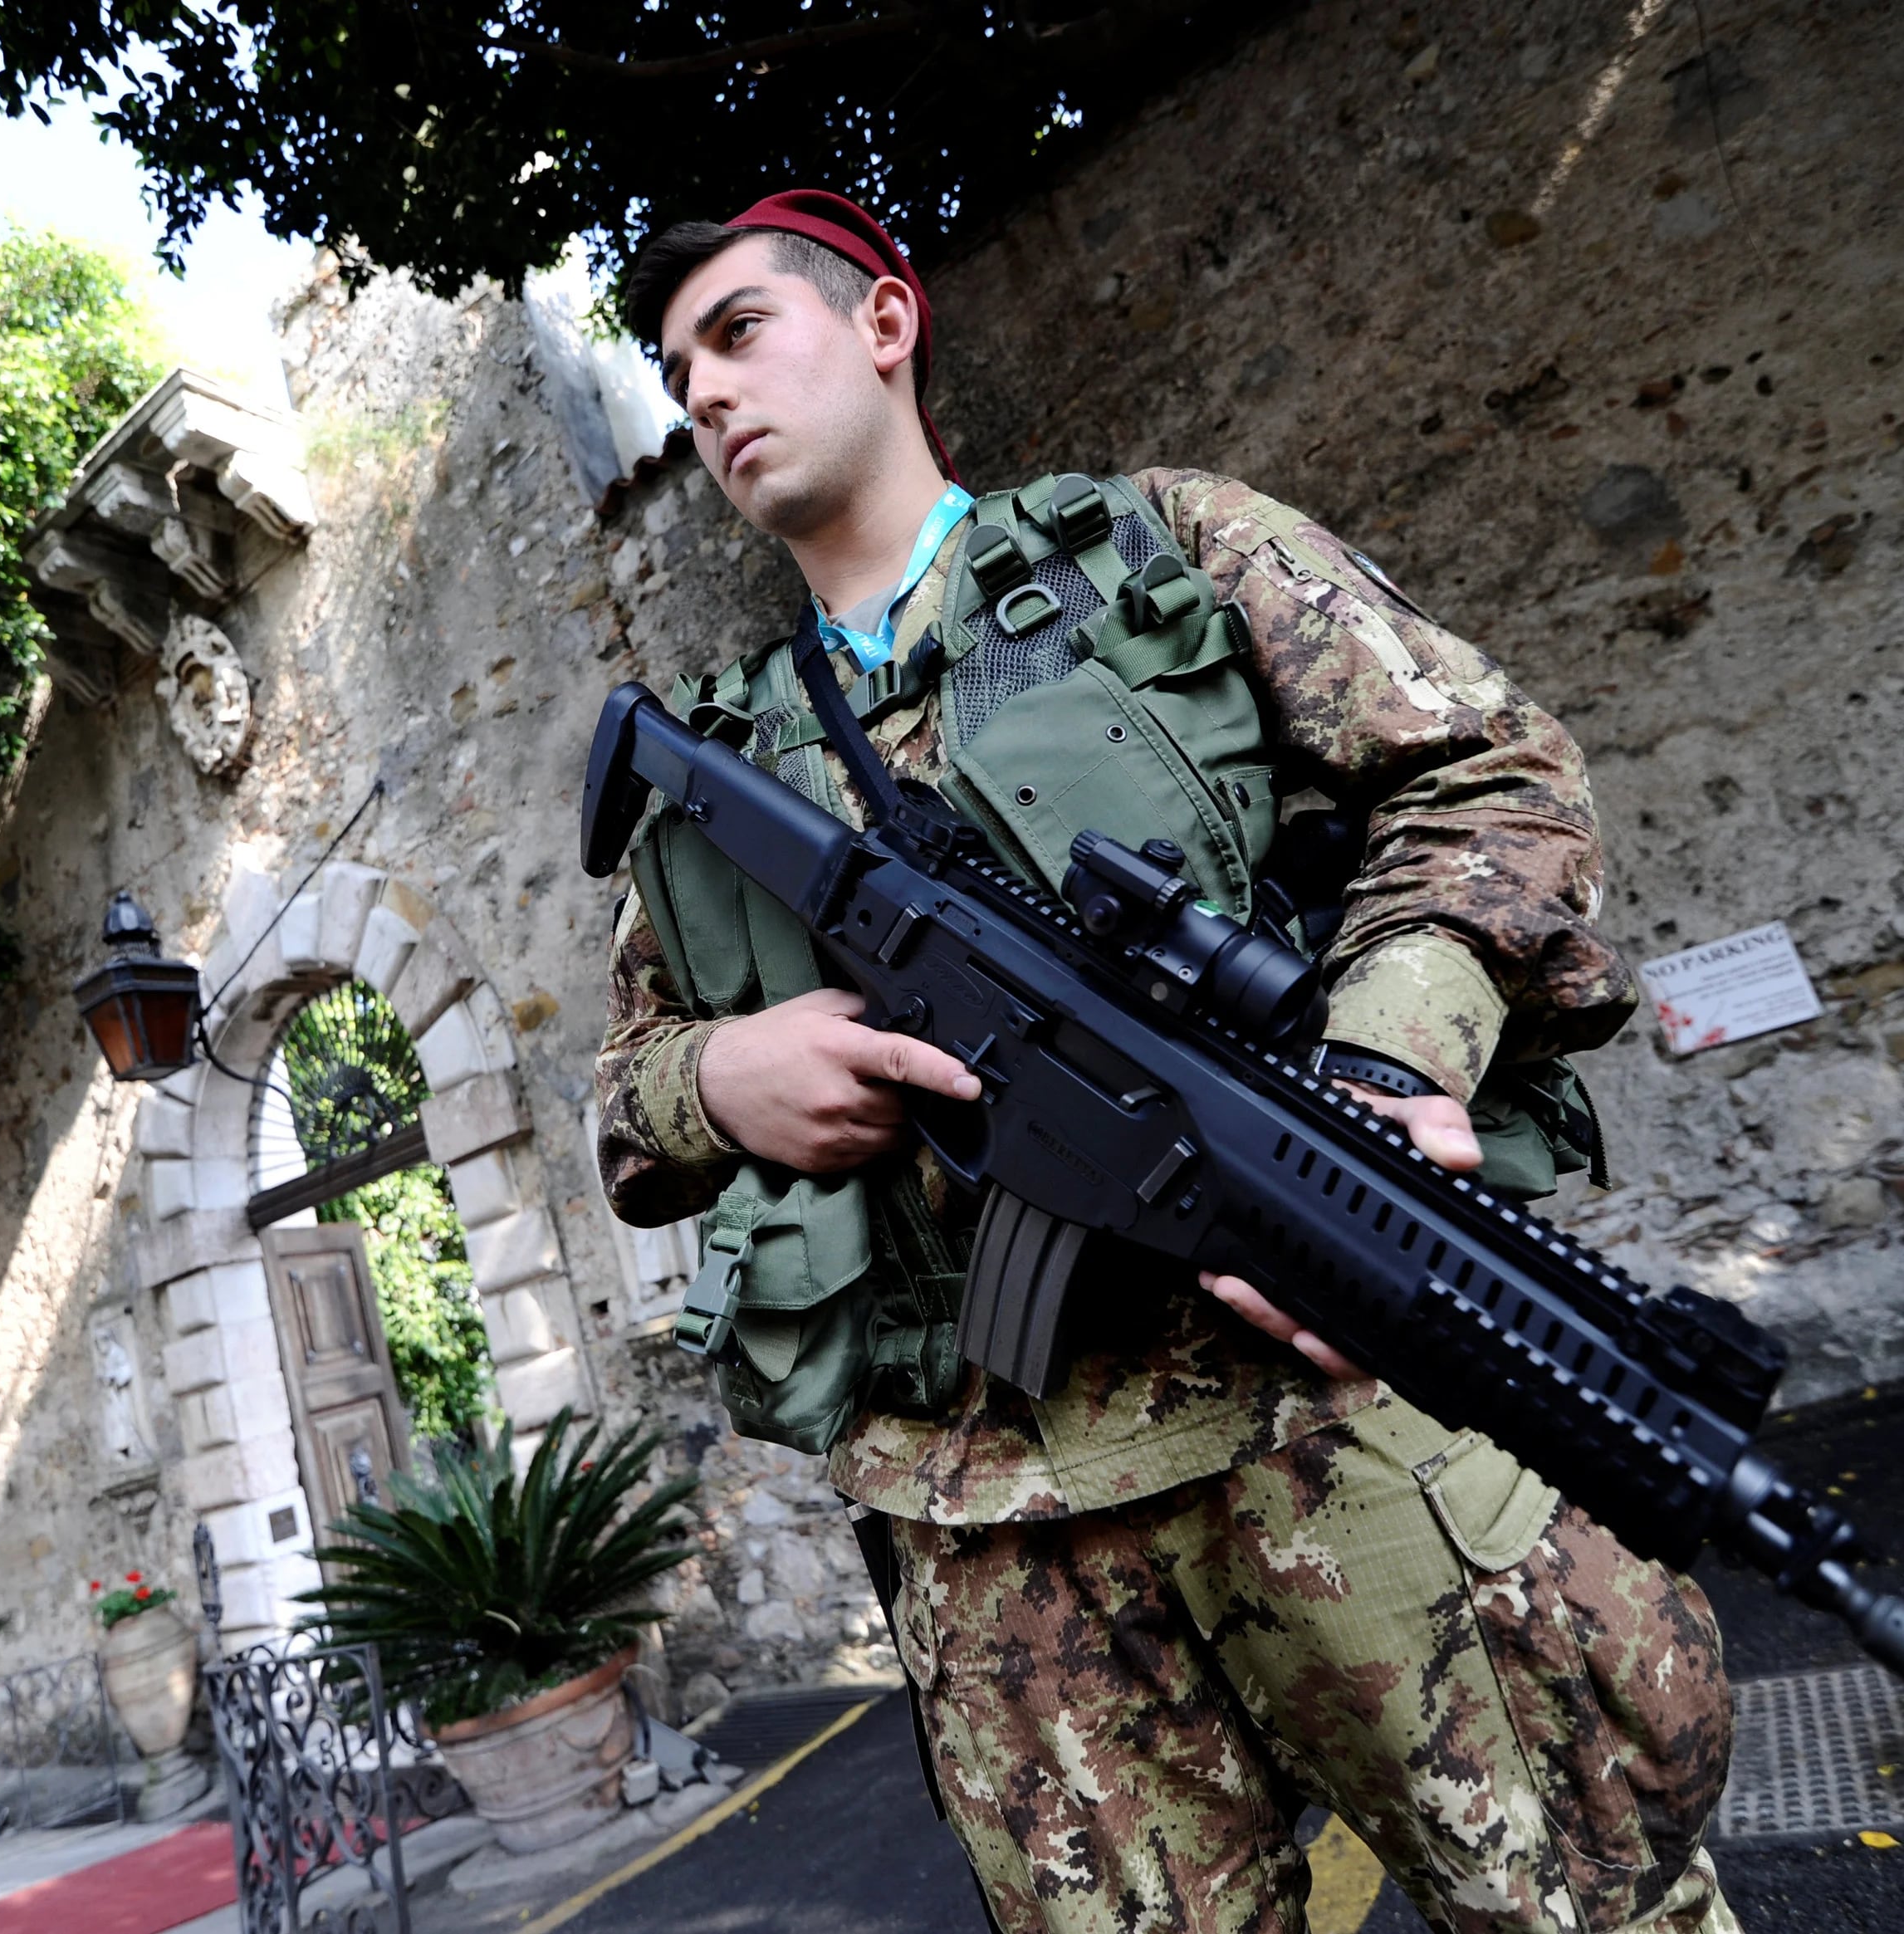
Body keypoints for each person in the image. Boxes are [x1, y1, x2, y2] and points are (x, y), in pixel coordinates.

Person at [595, 190, 1740, 1934]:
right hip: (991, 1529)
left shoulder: (1160, 554)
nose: (707, 394)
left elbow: (1493, 777)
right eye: (679, 375)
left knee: (1585, 1907)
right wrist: (716, 1081)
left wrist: (1386, 1063)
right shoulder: (718, 763)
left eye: (742, 330)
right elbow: (624, 1097)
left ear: (886, 320)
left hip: (1334, 1409)